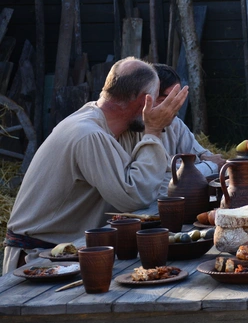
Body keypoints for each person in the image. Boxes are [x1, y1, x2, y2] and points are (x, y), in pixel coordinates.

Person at [2, 58, 188, 274]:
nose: (159, 108)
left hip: (79, 253)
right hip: (37, 261)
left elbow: (160, 178)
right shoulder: (87, 134)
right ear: (144, 102)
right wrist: (154, 130)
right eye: (157, 100)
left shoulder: (124, 130)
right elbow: (135, 197)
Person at [119, 64, 226, 196]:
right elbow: (154, 185)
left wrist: (181, 165)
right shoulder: (126, 130)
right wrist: (206, 167)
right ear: (146, 99)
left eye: (176, 101)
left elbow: (210, 159)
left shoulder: (175, 124)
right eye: (164, 100)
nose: (173, 108)